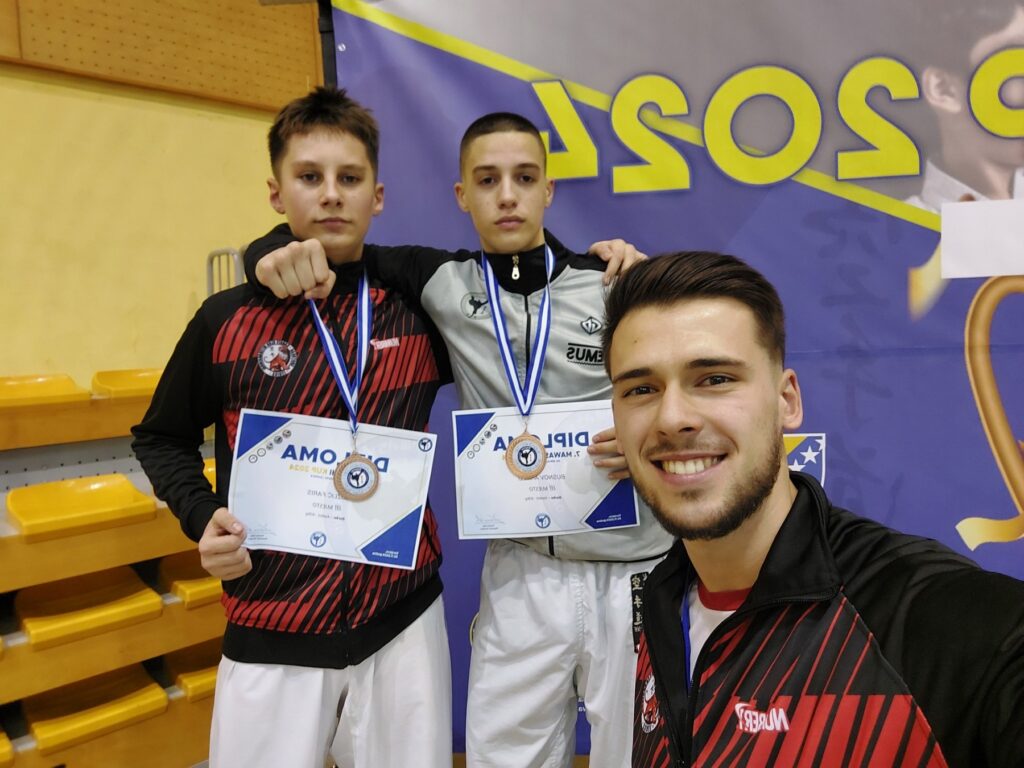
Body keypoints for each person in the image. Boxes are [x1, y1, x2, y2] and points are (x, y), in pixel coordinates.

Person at [247, 112, 675, 768]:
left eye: (524, 178)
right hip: (522, 569)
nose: (507, 196)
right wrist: (266, 250)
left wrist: (642, 435)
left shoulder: (613, 281)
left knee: (637, 757)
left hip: (632, 569)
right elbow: (334, 246)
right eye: (488, 180)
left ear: (548, 190)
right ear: (462, 195)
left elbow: (674, 389)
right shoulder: (439, 282)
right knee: (504, 757)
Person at [132, 88, 455, 768]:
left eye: (350, 178)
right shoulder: (227, 320)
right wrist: (202, 516)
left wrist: (595, 262)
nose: (331, 194)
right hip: (272, 626)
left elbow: (513, 298)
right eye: (310, 176)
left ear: (378, 196)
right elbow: (160, 436)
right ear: (276, 193)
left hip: (402, 622)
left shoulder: (418, 310)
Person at [601, 251, 1024, 767]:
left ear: (787, 401)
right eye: (641, 389)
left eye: (715, 379)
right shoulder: (661, 597)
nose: (672, 418)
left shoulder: (936, 617)